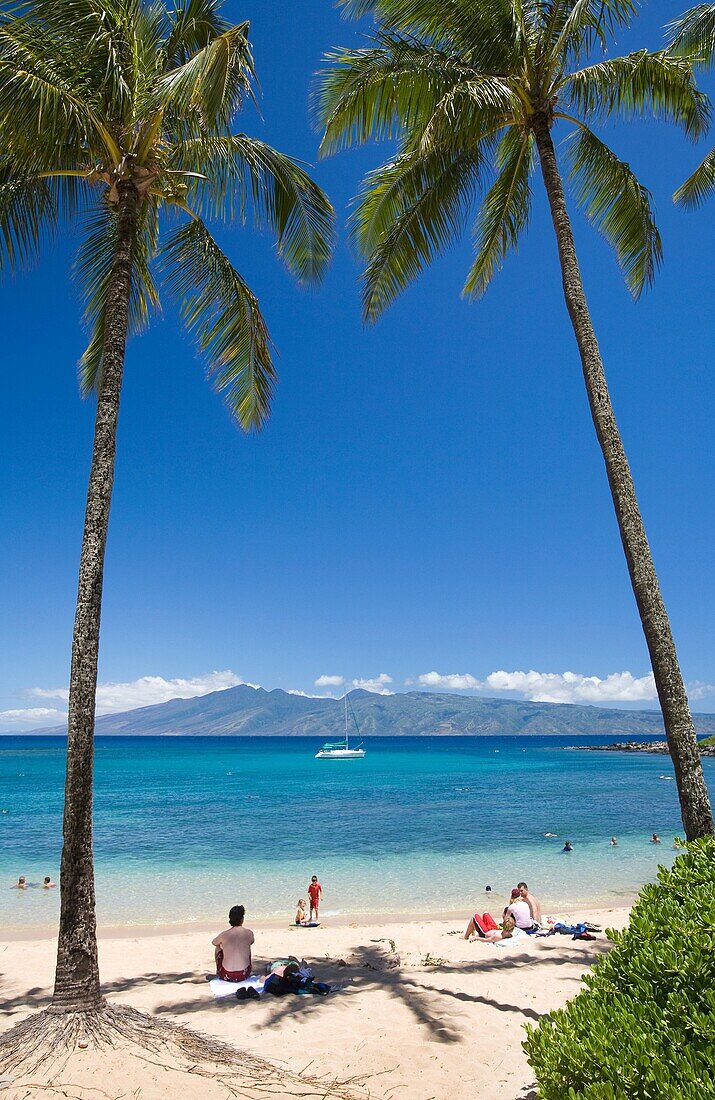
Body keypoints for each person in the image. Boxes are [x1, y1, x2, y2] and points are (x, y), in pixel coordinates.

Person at [212, 905, 254, 982]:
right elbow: (252, 941)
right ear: (242, 919)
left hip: (227, 975)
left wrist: (224, 945)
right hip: (244, 974)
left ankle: (218, 971)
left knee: (218, 947)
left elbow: (214, 943)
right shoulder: (249, 933)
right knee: (247, 945)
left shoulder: (224, 934)